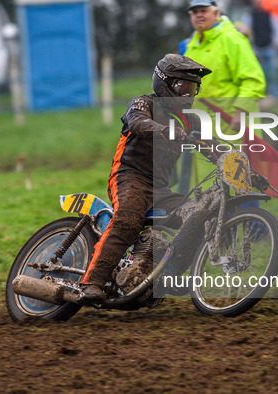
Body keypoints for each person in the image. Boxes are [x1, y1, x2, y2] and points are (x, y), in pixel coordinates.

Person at [79, 54, 213, 302]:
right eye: (182, 87)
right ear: (163, 82)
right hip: (128, 177)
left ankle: (167, 276)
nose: (187, 94)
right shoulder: (143, 103)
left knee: (199, 215)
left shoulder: (192, 120)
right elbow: (138, 123)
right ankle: (91, 282)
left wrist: (240, 163)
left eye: (192, 88)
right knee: (128, 220)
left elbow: (212, 147)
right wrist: (164, 130)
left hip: (160, 189)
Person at [183, 0, 266, 132]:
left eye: (203, 11)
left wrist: (241, 113)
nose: (198, 15)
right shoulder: (192, 46)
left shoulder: (232, 40)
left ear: (216, 13)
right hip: (204, 129)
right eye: (194, 12)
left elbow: (253, 80)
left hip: (233, 126)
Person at [247, 0, 278, 99]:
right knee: (259, 74)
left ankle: (275, 95)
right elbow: (247, 33)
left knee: (272, 74)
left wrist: (276, 43)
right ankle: (262, 95)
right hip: (257, 49)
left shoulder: (269, 15)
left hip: (269, 47)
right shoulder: (249, 17)